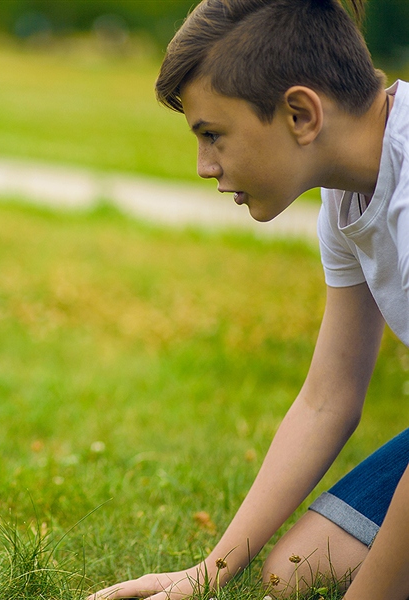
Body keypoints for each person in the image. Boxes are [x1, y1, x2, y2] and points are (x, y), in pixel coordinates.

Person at [90, 1, 408, 598]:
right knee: (295, 575)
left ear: (300, 113)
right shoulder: (346, 199)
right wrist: (206, 574)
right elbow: (329, 397)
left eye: (213, 135)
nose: (204, 166)